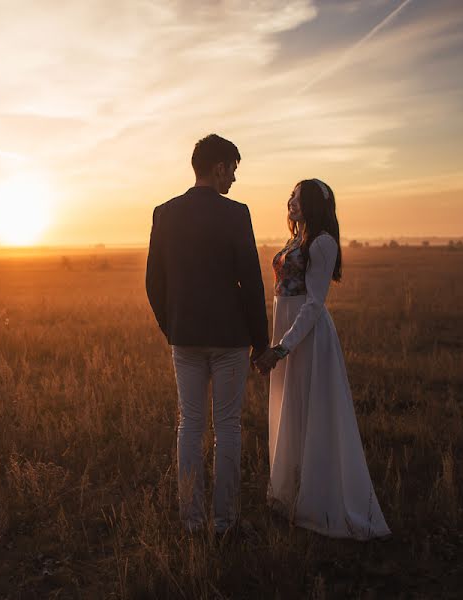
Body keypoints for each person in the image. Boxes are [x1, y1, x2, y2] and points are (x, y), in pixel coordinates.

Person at [146, 134, 272, 534]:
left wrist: (173, 326)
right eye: (233, 169)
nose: (234, 178)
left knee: (191, 425)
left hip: (185, 337)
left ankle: (192, 521)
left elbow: (153, 282)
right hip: (230, 338)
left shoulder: (164, 213)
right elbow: (251, 282)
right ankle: (225, 521)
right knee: (229, 427)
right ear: (219, 167)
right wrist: (261, 342)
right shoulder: (236, 214)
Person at [254, 178, 390, 539]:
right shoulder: (296, 240)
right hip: (286, 330)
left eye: (298, 198)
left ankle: (319, 502)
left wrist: (283, 346)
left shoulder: (323, 242)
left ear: (314, 204)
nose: (291, 202)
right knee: (290, 412)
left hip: (308, 338)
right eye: (291, 196)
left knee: (312, 412)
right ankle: (290, 493)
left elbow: (314, 303)